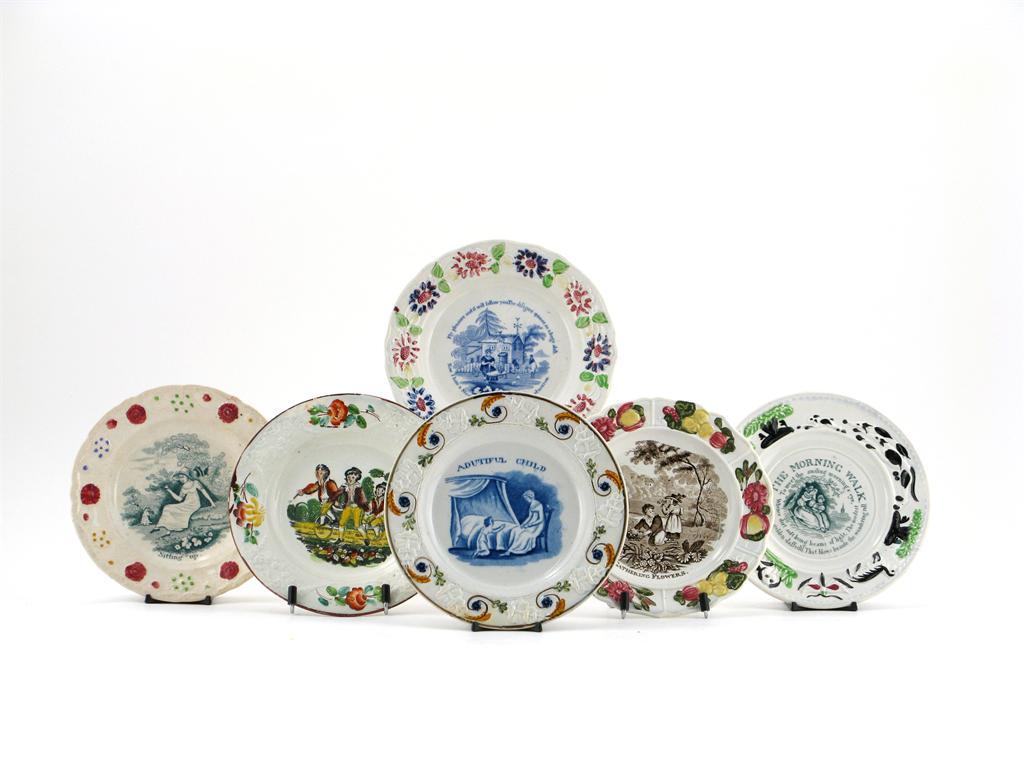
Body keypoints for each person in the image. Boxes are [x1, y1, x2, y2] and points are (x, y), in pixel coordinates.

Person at [501, 489, 546, 556]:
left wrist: (530, 524)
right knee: (515, 530)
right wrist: (523, 524)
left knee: (524, 535)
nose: (525, 500)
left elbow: (540, 519)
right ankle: (509, 549)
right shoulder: (531, 505)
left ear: (529, 497)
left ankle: (512, 550)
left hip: (537, 526)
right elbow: (529, 517)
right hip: (531, 524)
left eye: (526, 498)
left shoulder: (538, 505)